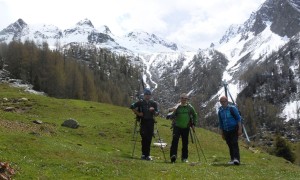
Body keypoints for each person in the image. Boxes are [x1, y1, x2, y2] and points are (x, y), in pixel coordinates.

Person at [130, 88, 159, 161]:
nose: (148, 96)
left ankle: (148, 155)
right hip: (143, 121)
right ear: (144, 95)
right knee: (144, 137)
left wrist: (154, 112)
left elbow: (157, 113)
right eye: (146, 94)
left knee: (149, 138)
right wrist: (138, 113)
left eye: (149, 94)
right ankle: (143, 154)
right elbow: (132, 106)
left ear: (150, 95)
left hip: (151, 122)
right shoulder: (140, 102)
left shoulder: (153, 103)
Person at [169, 93, 198, 163]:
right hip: (177, 126)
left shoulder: (190, 107)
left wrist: (194, 123)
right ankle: (173, 156)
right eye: (182, 98)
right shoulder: (177, 107)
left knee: (185, 143)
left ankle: (184, 158)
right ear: (180, 99)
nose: (184, 100)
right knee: (174, 142)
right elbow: (171, 115)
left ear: (187, 100)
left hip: (186, 127)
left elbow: (195, 115)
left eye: (185, 99)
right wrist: (172, 111)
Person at [218, 96, 242, 165]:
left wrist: (240, 129)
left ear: (227, 101)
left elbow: (238, 118)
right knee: (229, 144)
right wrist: (222, 133)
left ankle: (236, 159)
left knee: (234, 143)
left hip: (234, 129)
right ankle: (232, 159)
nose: (223, 103)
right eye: (221, 102)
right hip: (226, 130)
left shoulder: (232, 108)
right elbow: (221, 122)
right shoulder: (220, 111)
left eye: (224, 101)